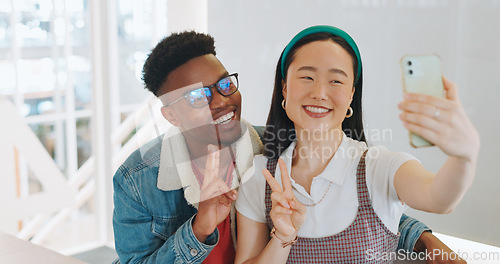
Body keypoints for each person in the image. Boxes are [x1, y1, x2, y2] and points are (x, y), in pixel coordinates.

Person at [112, 30, 467, 264]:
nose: (221, 102)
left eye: (223, 85)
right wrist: (200, 229)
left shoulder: (275, 144)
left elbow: (359, 199)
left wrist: (425, 241)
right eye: (195, 97)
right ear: (171, 116)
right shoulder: (137, 180)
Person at [235, 26, 478, 263]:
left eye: (336, 81)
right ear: (285, 88)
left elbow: (439, 199)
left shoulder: (378, 167)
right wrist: (282, 238)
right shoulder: (260, 176)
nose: (320, 92)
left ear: (351, 94)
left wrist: (464, 157)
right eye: (307, 77)